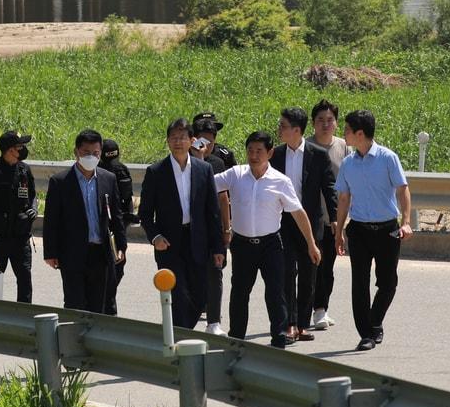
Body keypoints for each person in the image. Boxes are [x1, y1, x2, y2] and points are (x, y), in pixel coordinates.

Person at [215, 131, 322, 349]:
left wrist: (311, 243)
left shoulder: (281, 181)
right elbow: (204, 183)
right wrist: (199, 157)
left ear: (270, 152)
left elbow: (298, 213)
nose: (254, 155)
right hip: (242, 244)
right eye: (250, 151)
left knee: (276, 291)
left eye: (259, 151)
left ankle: (279, 336)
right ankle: (236, 337)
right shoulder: (235, 174)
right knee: (240, 292)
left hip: (271, 244)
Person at [333, 109, 412, 352]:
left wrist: (406, 221)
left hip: (387, 228)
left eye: (347, 130)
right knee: (359, 283)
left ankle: (375, 322)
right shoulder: (347, 163)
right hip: (359, 230)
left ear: (360, 133)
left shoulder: (388, 158)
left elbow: (402, 189)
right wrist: (339, 233)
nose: (343, 134)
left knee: (388, 282)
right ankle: (366, 333)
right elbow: (344, 199)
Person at [138, 118, 225, 329]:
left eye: (183, 137)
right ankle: (178, 337)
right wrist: (155, 237)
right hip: (169, 243)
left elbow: (212, 212)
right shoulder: (156, 172)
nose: (178, 142)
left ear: (192, 140)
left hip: (198, 241)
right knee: (177, 293)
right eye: (174, 138)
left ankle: (179, 330)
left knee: (199, 294)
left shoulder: (203, 169)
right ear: (168, 141)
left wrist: (218, 247)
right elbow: (145, 212)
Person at [272, 107, 338, 341]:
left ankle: (302, 323)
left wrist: (335, 218)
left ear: (297, 130)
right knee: (287, 272)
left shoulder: (318, 155)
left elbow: (329, 189)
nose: (279, 129)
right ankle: (290, 322)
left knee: (310, 274)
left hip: (310, 223)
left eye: (283, 126)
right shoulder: (276, 155)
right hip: (283, 223)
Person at [43, 129, 127, 313]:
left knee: (100, 304)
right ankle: (75, 340)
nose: (91, 157)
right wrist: (50, 252)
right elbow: (51, 220)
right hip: (72, 253)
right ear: (76, 152)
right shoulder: (60, 182)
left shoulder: (108, 179)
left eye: (95, 153)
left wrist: (121, 245)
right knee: (75, 303)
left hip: (101, 252)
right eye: (86, 153)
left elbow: (117, 215)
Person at [0, 130, 38, 303]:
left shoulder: (24, 170)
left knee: (25, 279)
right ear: (9, 150)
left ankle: (24, 316)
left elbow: (33, 195)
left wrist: (33, 208)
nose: (23, 150)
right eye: (19, 146)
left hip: (20, 237)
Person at [309, 99, 351, 331]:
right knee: (310, 267)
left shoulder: (343, 146)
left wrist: (343, 219)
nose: (325, 124)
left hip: (334, 218)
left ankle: (321, 309)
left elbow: (347, 184)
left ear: (336, 123)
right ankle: (310, 309)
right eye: (320, 120)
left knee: (327, 268)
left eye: (330, 120)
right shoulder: (306, 147)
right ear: (313, 124)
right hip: (309, 219)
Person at [190, 117, 229, 335]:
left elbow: (223, 198)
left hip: (212, 227)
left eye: (211, 142)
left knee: (216, 271)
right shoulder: (182, 160)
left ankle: (214, 321)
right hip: (189, 228)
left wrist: (226, 228)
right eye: (202, 141)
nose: (206, 146)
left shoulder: (217, 163)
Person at [98, 138, 135, 315]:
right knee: (115, 267)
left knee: (112, 269)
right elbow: (129, 200)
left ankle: (106, 303)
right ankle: (107, 304)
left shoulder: (101, 172)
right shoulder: (122, 169)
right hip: (118, 226)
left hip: (110, 226)